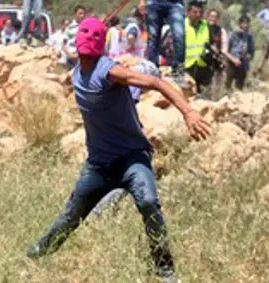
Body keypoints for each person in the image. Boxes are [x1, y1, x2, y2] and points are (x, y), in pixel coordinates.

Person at [26, 17, 210, 282]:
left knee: (148, 203)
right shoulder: (76, 72)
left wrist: (189, 112)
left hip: (132, 158)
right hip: (99, 164)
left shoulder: (110, 71)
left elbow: (156, 83)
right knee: (70, 217)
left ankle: (164, 268)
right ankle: (34, 257)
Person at [184, 0, 214, 94]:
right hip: (187, 67)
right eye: (195, 12)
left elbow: (212, 44)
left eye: (200, 12)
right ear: (188, 12)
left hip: (203, 67)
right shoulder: (181, 25)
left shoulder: (206, 26)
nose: (198, 15)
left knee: (204, 97)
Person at [225, 15, 255, 90]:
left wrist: (248, 56)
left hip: (243, 64)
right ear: (240, 24)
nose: (246, 25)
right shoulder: (232, 35)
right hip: (232, 63)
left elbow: (251, 52)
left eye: (247, 23)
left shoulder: (249, 37)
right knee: (228, 85)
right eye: (244, 23)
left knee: (239, 87)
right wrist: (233, 59)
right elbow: (225, 50)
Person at [206, 8, 228, 87]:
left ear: (218, 19)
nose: (213, 19)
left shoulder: (221, 31)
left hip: (217, 59)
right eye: (211, 16)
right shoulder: (203, 29)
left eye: (215, 17)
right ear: (207, 17)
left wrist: (222, 56)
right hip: (205, 60)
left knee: (217, 82)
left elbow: (224, 47)